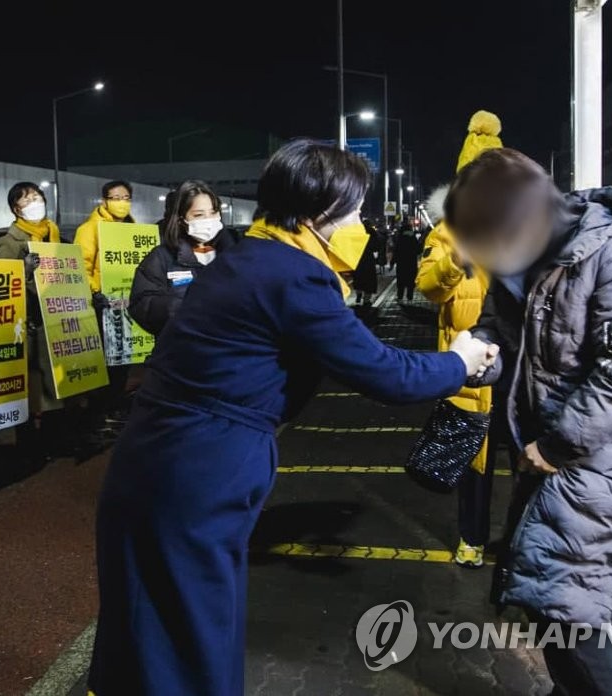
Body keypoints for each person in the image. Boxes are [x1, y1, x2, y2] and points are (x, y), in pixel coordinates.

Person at [88, 140, 498, 695]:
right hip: (197, 470)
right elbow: (382, 372)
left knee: (147, 624)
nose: (360, 223)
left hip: (159, 462)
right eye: (352, 211)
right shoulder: (291, 275)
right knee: (191, 631)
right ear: (315, 213)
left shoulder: (252, 256)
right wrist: (460, 362)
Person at [451, 148, 612, 696]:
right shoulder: (518, 262)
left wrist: (557, 444)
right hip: (546, 455)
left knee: (568, 611)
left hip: (601, 463)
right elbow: (498, 333)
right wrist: (474, 353)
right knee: (550, 599)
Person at [416, 110, 503, 569]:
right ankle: (472, 538)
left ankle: (523, 546)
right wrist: (457, 260)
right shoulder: (447, 230)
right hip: (473, 357)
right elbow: (429, 285)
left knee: (529, 454)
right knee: (475, 459)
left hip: (522, 358)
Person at [0, 182, 70, 462]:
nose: (35, 203)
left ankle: (52, 441)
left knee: (54, 388)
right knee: (30, 389)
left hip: (54, 320)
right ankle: (28, 447)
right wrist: (23, 273)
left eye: (38, 198)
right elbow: (4, 286)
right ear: (16, 208)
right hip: (29, 325)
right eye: (28, 200)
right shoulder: (9, 242)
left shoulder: (53, 235)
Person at [128, 180, 234, 336]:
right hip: (183, 350)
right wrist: (185, 307)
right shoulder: (162, 257)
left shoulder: (235, 255)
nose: (208, 220)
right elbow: (142, 305)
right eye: (199, 215)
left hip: (232, 349)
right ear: (181, 219)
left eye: (213, 212)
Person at [74, 181, 137, 439]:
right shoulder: (89, 229)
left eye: (126, 197)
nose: (121, 202)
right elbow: (80, 264)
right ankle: (97, 417)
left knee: (122, 362)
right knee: (104, 365)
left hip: (127, 306)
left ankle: (114, 410)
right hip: (101, 306)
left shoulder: (132, 229)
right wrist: (95, 292)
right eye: (115, 197)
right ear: (104, 201)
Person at [393, 216, 420, 303]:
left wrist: (392, 262)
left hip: (401, 263)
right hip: (411, 263)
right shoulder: (413, 238)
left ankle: (400, 297)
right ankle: (410, 297)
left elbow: (396, 250)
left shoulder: (400, 238)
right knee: (411, 280)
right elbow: (418, 250)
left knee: (401, 280)